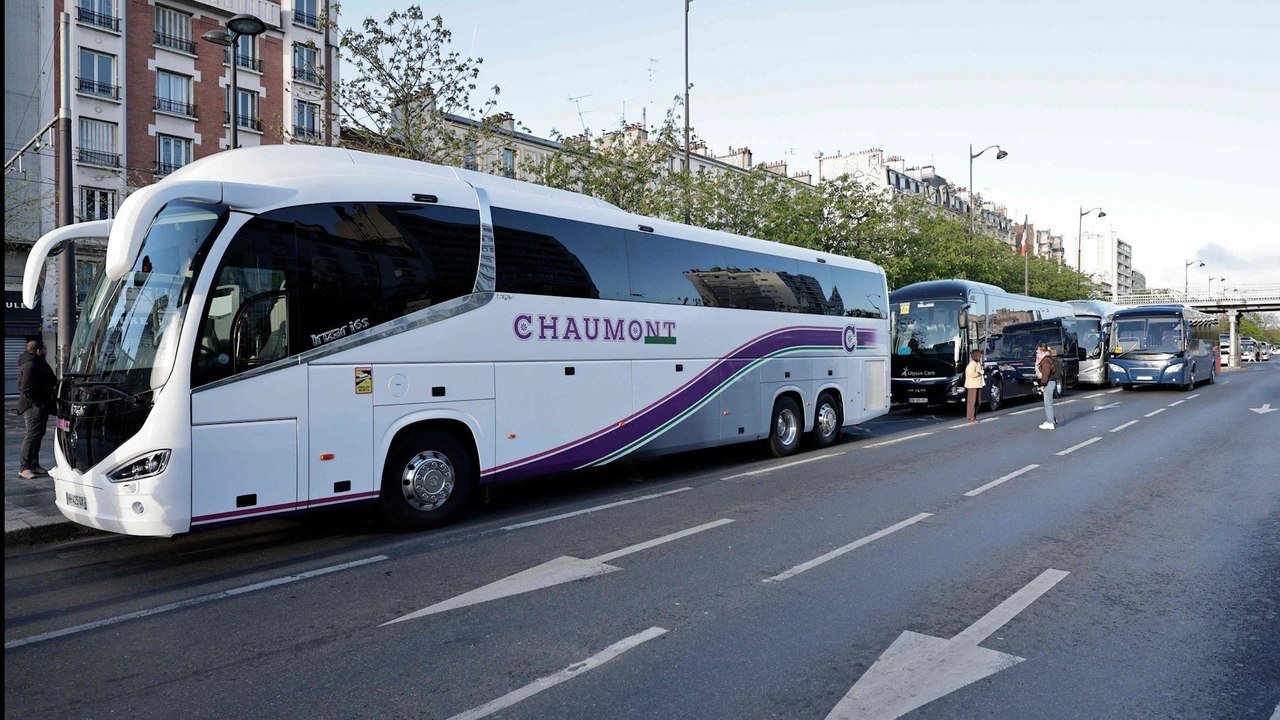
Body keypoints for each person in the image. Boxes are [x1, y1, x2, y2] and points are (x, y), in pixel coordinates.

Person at [16, 337, 57, 479]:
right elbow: (25, 387)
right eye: (44, 349)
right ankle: (24, 467)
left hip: (40, 404)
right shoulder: (31, 365)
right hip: (32, 406)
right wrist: (38, 403)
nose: (46, 351)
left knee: (38, 434)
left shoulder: (39, 362)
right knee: (32, 435)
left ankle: (34, 464)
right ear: (39, 351)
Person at [1036, 343, 1060, 430]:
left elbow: (1046, 373)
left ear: (1042, 351)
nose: (1036, 352)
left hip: (1048, 383)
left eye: (1038, 350)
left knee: (1048, 403)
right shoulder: (1048, 358)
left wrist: (1043, 384)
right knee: (1048, 403)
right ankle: (1049, 420)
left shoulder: (1045, 360)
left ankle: (1050, 423)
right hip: (1051, 382)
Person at [964, 350, 984, 422]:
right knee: (972, 402)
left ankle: (974, 416)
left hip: (977, 384)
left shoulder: (978, 363)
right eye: (979, 355)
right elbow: (971, 374)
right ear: (976, 356)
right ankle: (971, 417)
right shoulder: (972, 364)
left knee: (978, 402)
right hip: (972, 385)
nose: (981, 356)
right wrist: (980, 373)